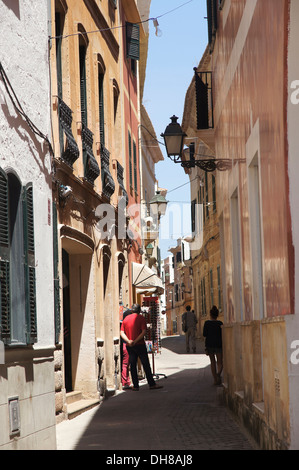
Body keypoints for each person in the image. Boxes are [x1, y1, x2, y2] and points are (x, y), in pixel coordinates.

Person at [120, 303, 163, 391]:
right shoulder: (141, 318)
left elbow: (122, 333)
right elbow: (143, 332)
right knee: (145, 364)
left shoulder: (125, 319)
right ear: (139, 311)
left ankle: (136, 386)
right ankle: (151, 384)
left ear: (132, 310)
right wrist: (136, 341)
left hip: (129, 345)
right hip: (140, 345)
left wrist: (128, 341)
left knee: (133, 365)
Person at [203, 305, 223, 385]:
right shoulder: (220, 323)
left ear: (210, 315)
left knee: (212, 362)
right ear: (217, 315)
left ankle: (215, 379)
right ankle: (219, 374)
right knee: (220, 362)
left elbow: (204, 334)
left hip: (209, 344)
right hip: (219, 344)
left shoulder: (207, 323)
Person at [120, 308, 132, 389]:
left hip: (125, 344)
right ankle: (125, 382)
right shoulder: (127, 324)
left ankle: (127, 381)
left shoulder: (123, 324)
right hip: (126, 345)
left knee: (126, 364)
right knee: (125, 364)